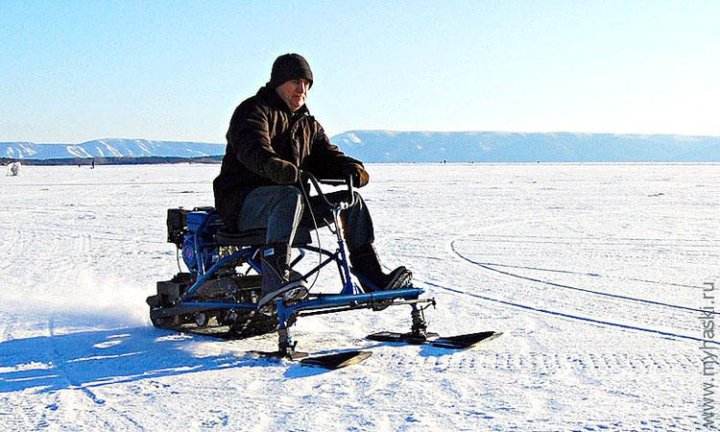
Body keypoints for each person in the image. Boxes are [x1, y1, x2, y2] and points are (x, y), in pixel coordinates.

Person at [213, 53, 411, 308]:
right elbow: (252, 147)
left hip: (291, 206)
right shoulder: (254, 111)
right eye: (296, 81)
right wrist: (274, 166)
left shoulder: (308, 124)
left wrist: (351, 169)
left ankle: (372, 277)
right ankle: (275, 280)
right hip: (244, 205)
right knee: (289, 195)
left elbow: (327, 156)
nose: (302, 89)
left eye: (307, 84)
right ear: (278, 82)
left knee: (352, 201)